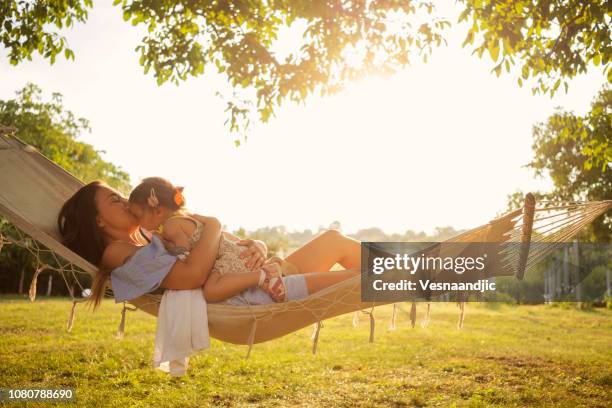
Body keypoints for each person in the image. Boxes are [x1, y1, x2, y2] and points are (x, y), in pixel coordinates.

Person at [58, 180, 362, 309]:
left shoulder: (154, 235)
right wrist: (215, 225)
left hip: (266, 275)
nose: (125, 201)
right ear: (97, 221)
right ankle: (409, 276)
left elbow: (221, 244)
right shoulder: (118, 253)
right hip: (250, 294)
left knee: (333, 241)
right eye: (115, 200)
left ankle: (410, 270)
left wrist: (257, 245)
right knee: (359, 281)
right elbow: (193, 276)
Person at [127, 177, 290, 304]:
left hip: (226, 257)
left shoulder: (171, 226)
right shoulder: (183, 219)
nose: (138, 222)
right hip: (229, 253)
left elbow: (184, 255)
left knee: (211, 291)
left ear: (158, 211)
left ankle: (264, 275)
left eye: (139, 216)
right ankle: (270, 268)